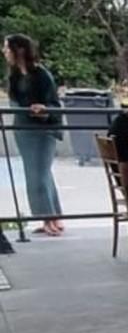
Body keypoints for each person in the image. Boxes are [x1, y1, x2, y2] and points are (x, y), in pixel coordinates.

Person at [4, 34, 64, 236]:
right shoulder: (14, 76)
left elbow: (54, 104)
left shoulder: (41, 75)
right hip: (24, 129)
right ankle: (54, 217)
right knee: (40, 173)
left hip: (42, 129)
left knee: (37, 175)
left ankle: (48, 218)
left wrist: (43, 109)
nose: (4, 52)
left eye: (7, 48)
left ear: (19, 50)